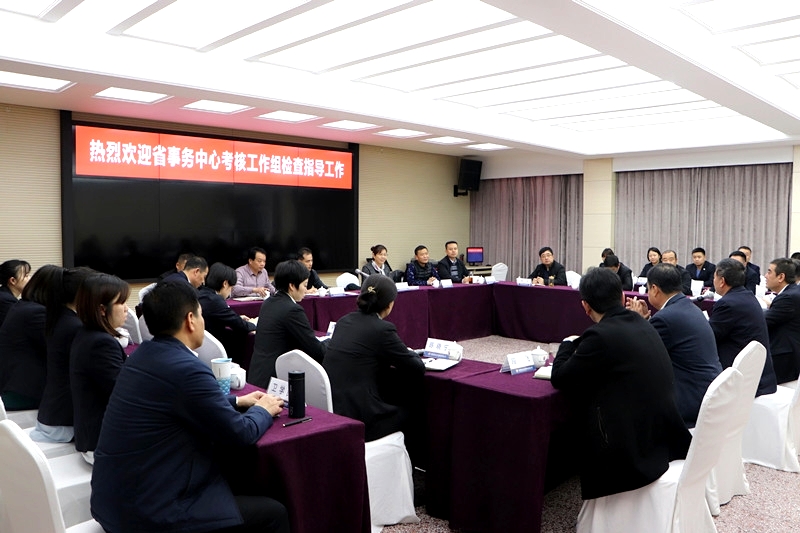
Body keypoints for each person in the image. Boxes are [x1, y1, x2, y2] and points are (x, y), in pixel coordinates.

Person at [91, 281, 289, 533]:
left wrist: (238, 401)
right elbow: (241, 434)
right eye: (201, 314)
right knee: (274, 513)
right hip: (152, 513)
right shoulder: (187, 369)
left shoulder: (142, 356)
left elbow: (175, 402)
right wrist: (264, 410)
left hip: (114, 501)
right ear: (190, 320)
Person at [550, 267, 691, 500]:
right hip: (662, 433)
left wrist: (566, 344)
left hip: (634, 447)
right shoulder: (642, 322)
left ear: (585, 306)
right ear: (623, 296)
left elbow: (561, 378)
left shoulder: (600, 335)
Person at [323, 274, 425, 460]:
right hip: (362, 416)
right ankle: (409, 468)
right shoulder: (382, 329)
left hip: (334, 407)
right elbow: (416, 367)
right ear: (390, 304)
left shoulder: (344, 321)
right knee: (415, 409)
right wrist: (408, 352)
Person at [626, 264, 722, 427]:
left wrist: (635, 321)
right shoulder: (688, 307)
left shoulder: (666, 318)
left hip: (690, 399)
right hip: (709, 392)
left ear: (654, 289)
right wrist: (646, 322)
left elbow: (640, 353)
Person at [70, 273, 130, 464]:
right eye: (121, 303)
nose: (127, 309)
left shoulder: (87, 333)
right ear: (102, 310)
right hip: (102, 443)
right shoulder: (101, 343)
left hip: (93, 435)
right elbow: (124, 393)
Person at [31, 267, 94, 443]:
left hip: (51, 413)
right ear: (83, 295)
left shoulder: (59, 317)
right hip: (64, 422)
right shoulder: (75, 326)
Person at [250, 260, 328, 386]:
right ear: (292, 286)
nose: (306, 290)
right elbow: (316, 350)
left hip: (257, 374)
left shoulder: (268, 302)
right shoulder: (292, 310)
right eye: (304, 285)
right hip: (275, 381)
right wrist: (331, 341)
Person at [708, 258, 777, 397]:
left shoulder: (727, 304)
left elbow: (710, 337)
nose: (713, 281)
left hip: (744, 381)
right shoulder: (747, 295)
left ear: (722, 281)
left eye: (714, 277)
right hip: (759, 375)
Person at [0, 265, 61, 410]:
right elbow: (56, 348)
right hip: (23, 389)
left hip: (13, 382)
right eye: (26, 275)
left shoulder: (23, 305)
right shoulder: (33, 311)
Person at [198, 263, 257, 365]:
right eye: (231, 287)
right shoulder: (215, 300)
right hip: (216, 348)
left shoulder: (201, 293)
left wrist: (237, 317)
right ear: (225, 283)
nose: (230, 291)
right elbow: (239, 325)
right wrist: (254, 324)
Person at [763, 258, 800, 384]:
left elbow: (765, 322)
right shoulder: (793, 292)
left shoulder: (787, 297)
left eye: (769, 272)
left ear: (781, 277)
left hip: (785, 357)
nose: (765, 276)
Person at [0, 259, 31, 328]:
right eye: (26, 276)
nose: (30, 278)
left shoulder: (5, 296)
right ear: (13, 280)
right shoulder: (6, 301)